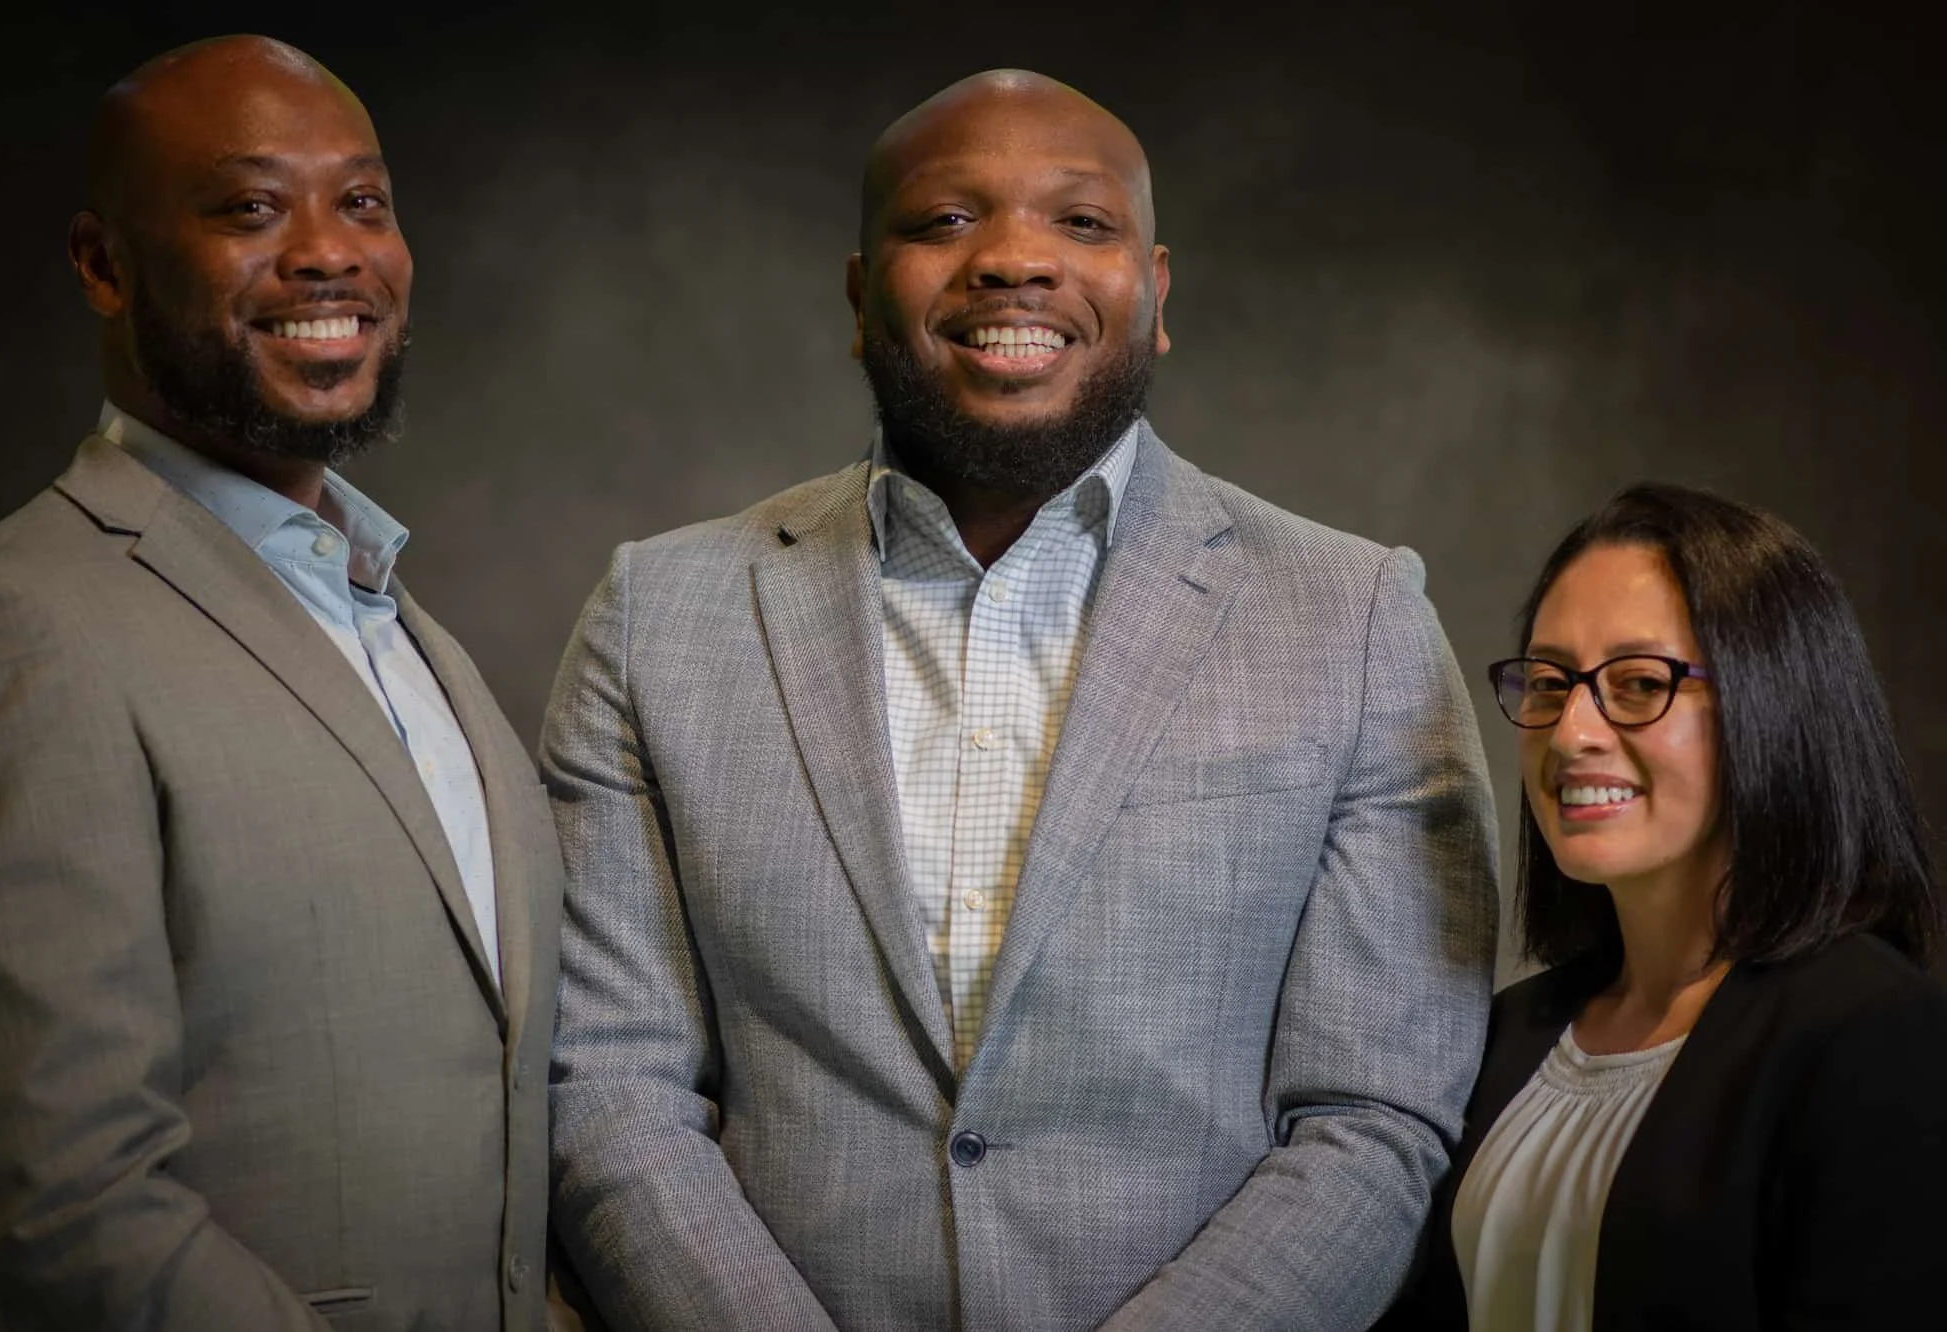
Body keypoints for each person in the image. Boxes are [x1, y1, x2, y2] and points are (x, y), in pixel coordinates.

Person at [542, 68, 1498, 1330]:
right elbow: (610, 1089)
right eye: (943, 221)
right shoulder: (657, 615)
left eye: (1079, 223)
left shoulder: (1352, 616)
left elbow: (1375, 1113)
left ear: (1154, 294)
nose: (1010, 260)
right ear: (855, 294)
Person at [0, 36, 561, 1331]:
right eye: (248, 208)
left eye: (362, 201)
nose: (328, 251)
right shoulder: (13, 622)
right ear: (103, 265)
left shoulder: (400, 625)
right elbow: (61, 1203)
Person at [1383, 483, 1947, 1330]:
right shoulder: (1503, 1037)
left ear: (1776, 705)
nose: (1572, 732)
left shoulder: (1875, 1036)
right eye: (1548, 682)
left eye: (1639, 682)